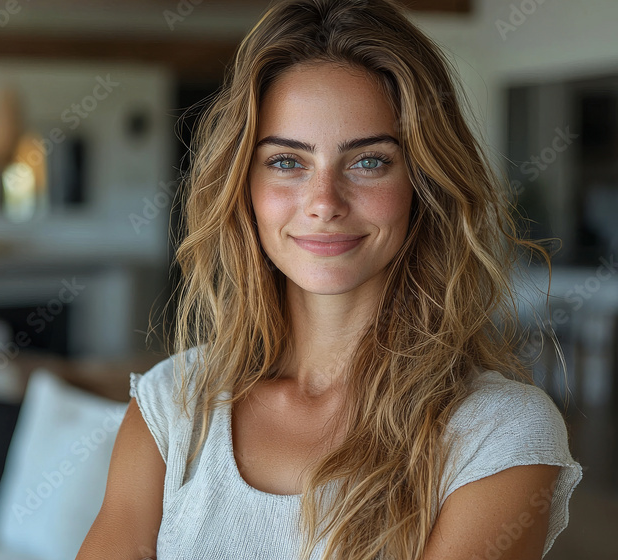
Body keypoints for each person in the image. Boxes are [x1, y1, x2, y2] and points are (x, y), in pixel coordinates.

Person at [76, 0, 582, 559]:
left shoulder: (497, 434)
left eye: (368, 161)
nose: (324, 203)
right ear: (243, 184)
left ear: (424, 183)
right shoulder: (173, 404)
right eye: (287, 161)